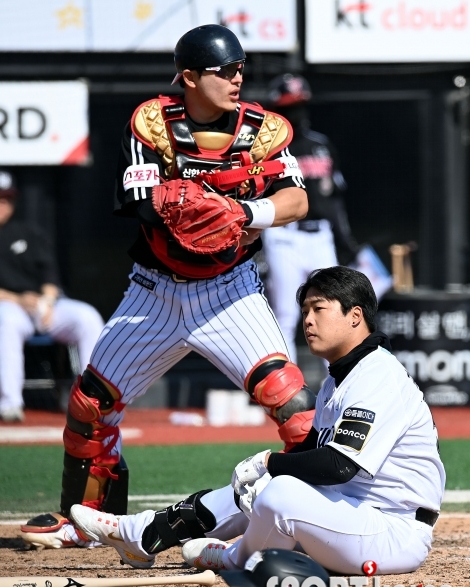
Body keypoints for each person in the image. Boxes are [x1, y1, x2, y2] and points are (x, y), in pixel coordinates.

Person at [21, 24, 315, 550]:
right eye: (223, 71)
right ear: (188, 77)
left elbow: (296, 201)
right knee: (91, 405)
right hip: (155, 292)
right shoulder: (153, 124)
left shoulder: (264, 129)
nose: (235, 78)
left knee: (292, 405)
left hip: (231, 291)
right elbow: (139, 203)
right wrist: (193, 203)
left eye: (240, 68)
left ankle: (316, 514)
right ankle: (85, 521)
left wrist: (244, 210)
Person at [69, 267, 445, 576]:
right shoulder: (339, 377)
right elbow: (313, 453)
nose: (308, 321)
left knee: (278, 490)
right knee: (265, 484)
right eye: (304, 312)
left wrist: (269, 463)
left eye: (319, 309)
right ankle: (141, 533)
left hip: (392, 531)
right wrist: (263, 476)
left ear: (355, 316)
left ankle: (233, 558)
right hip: (350, 516)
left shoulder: (377, 375)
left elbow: (340, 465)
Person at [262, 74, 361, 362]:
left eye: (300, 105)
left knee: (332, 313)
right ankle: (287, 396)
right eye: (289, 108)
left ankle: (335, 389)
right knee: (286, 314)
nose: (297, 114)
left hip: (320, 237)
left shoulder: (322, 146)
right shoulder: (266, 153)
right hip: (283, 236)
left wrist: (346, 240)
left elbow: (334, 200)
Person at [0, 171, 105, 423]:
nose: (2, 205)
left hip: (41, 306)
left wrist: (45, 302)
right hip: (8, 307)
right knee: (7, 321)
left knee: (87, 317)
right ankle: (10, 404)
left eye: (6, 199)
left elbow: (50, 280)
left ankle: (92, 401)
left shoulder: (29, 232)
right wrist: (17, 299)